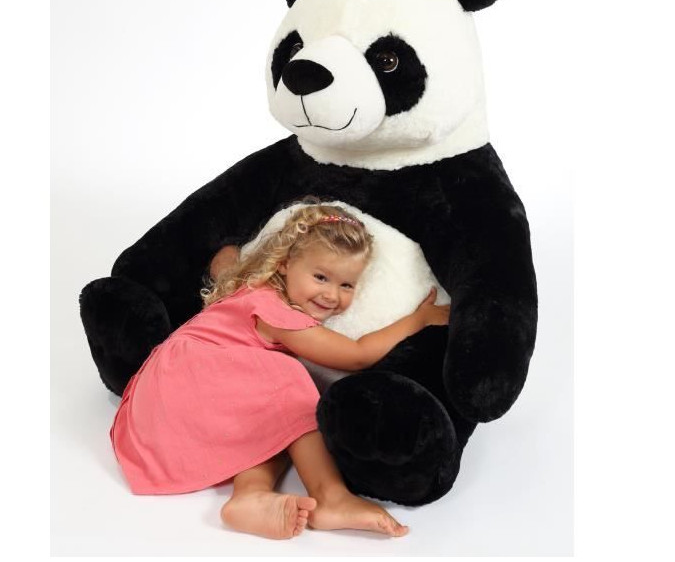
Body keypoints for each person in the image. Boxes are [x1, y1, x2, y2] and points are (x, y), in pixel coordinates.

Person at [110, 202, 450, 540]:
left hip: (164, 392)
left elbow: (225, 262)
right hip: (188, 382)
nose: (331, 295)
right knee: (290, 380)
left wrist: (229, 255)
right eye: (320, 277)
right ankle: (330, 496)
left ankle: (250, 495)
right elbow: (356, 355)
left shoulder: (255, 287)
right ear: (285, 264)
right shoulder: (278, 315)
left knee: (278, 419)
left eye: (347, 285)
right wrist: (416, 321)